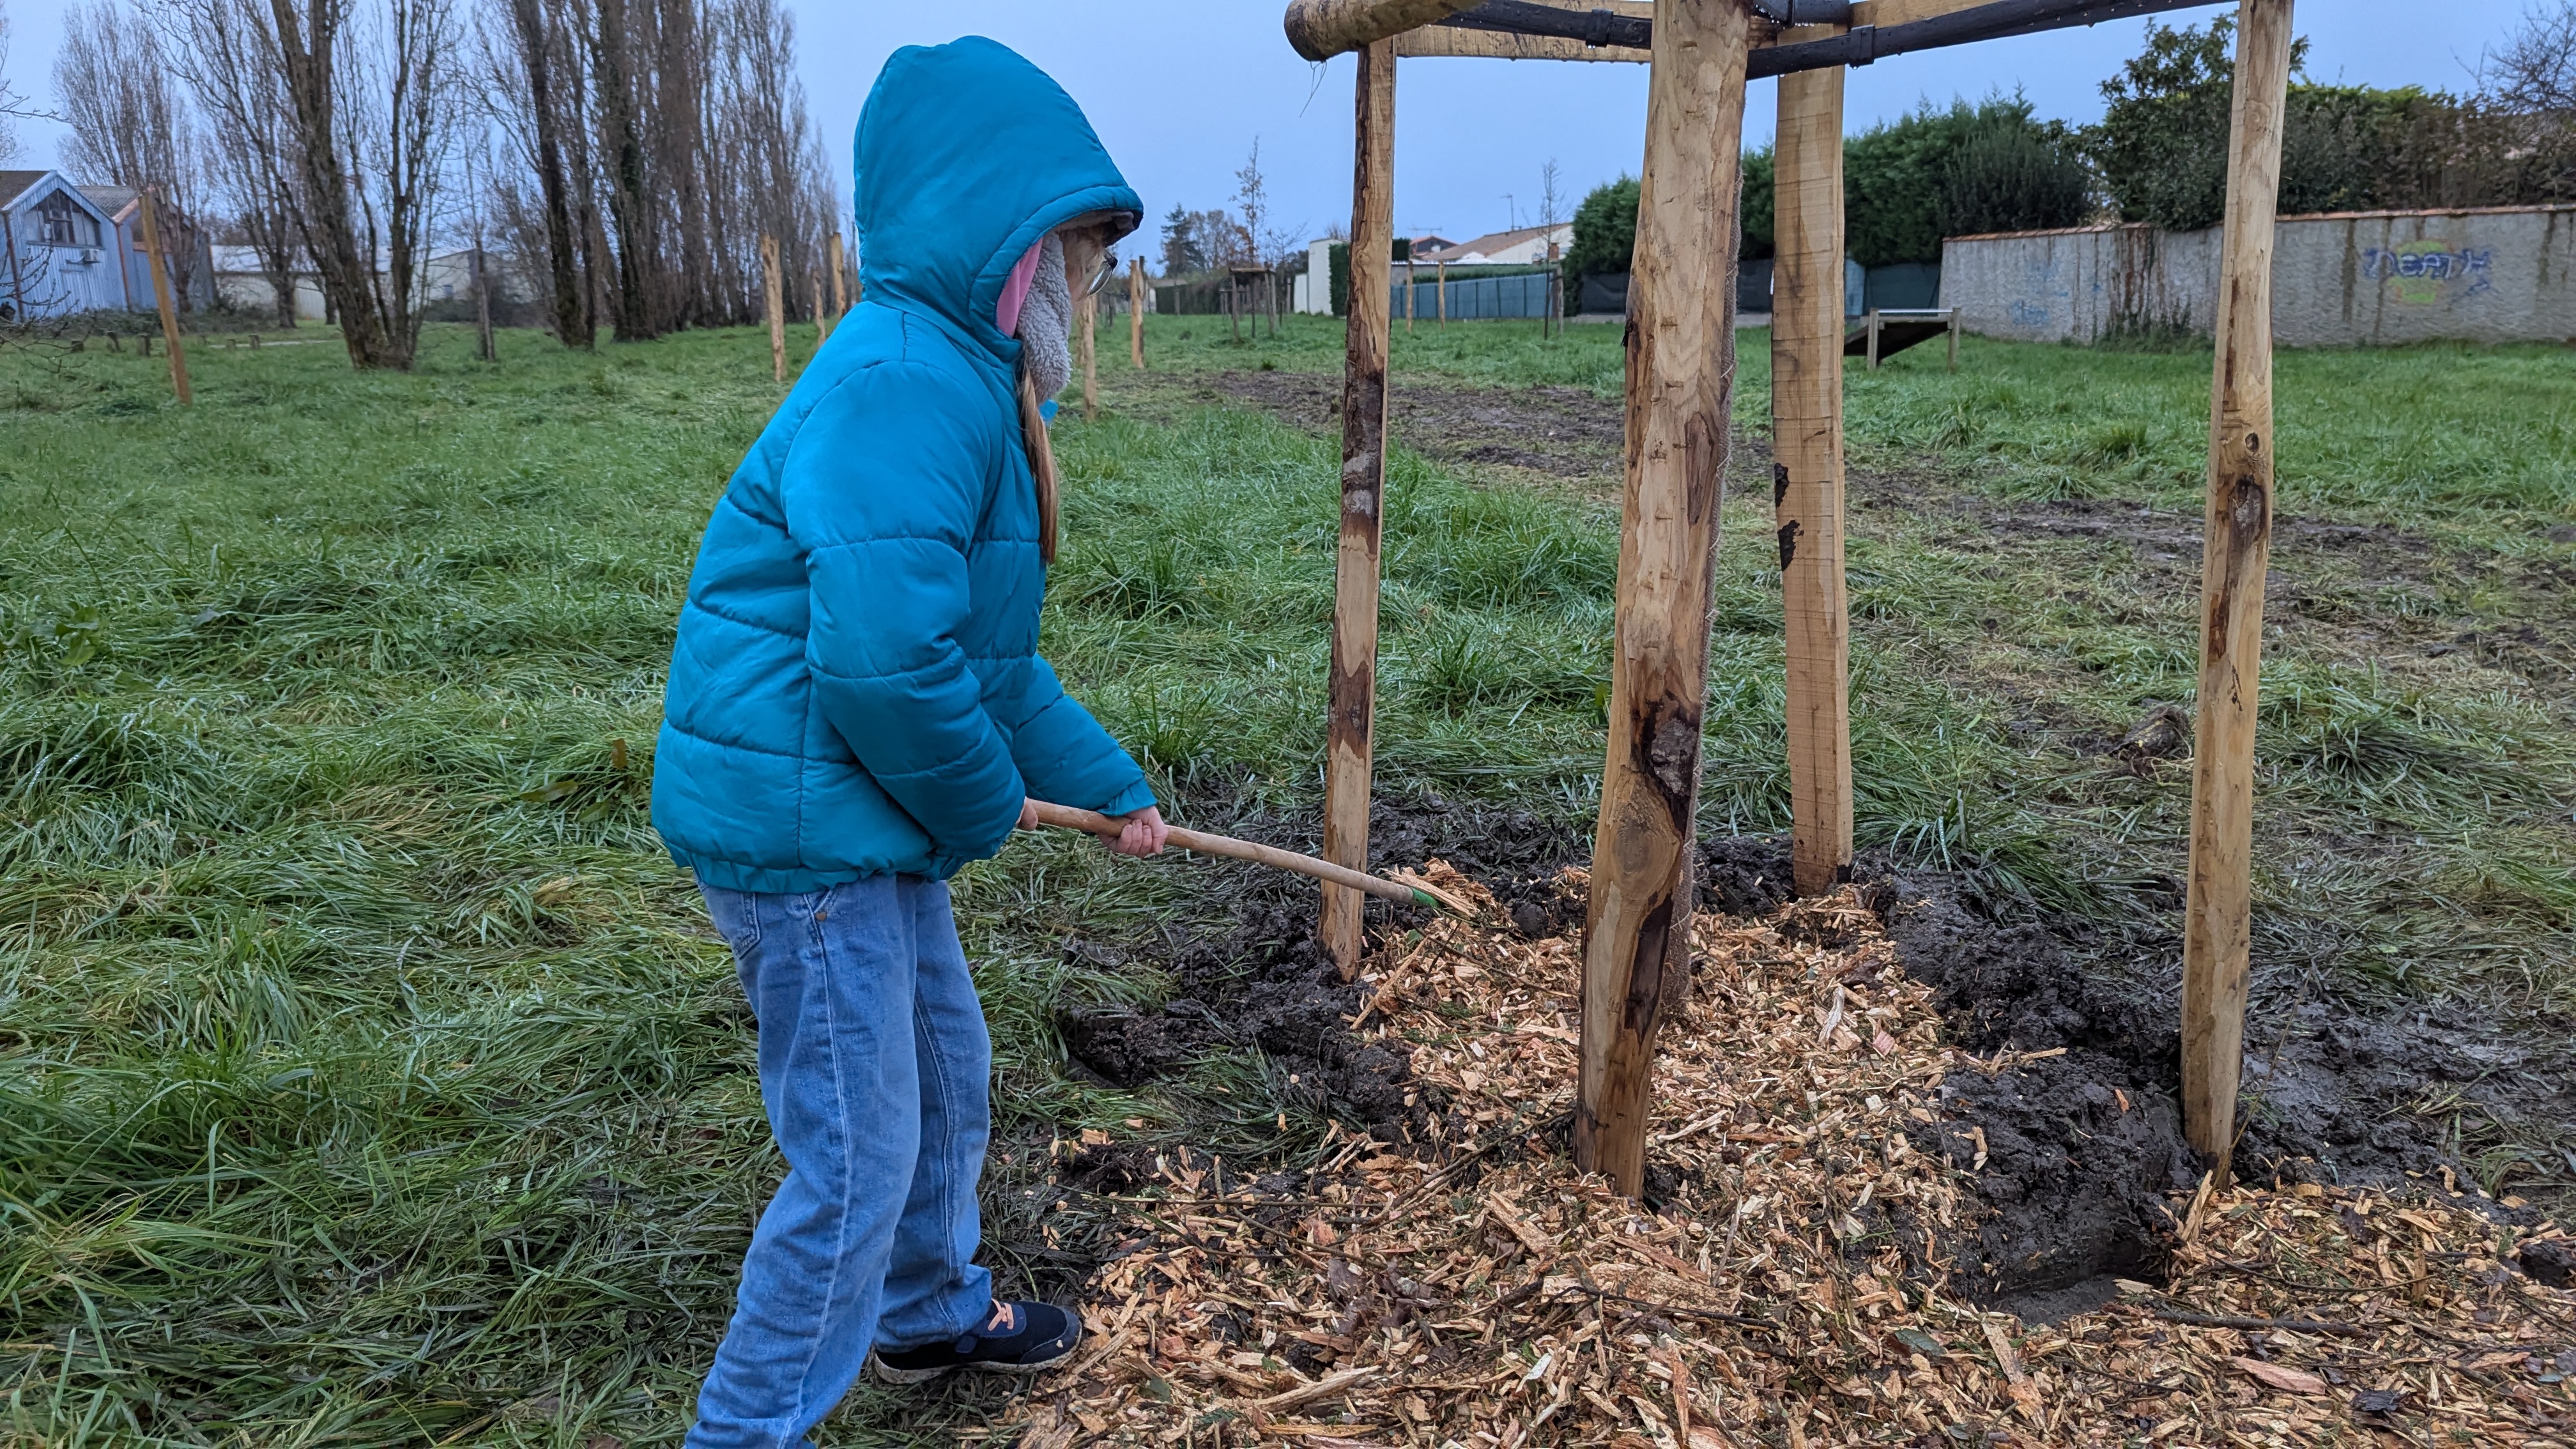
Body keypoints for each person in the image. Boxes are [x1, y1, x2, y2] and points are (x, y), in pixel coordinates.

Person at [648, 36, 1167, 1448]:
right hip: (805, 831)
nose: (1089, 282)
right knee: (858, 1156)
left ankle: (930, 1314)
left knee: (945, 1063)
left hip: (857, 810)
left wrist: (1112, 789)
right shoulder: (904, 385)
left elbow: (983, 666)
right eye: (1076, 250)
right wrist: (989, 802)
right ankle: (744, 1429)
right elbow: (884, 667)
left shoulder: (966, 384)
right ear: (1001, 241)